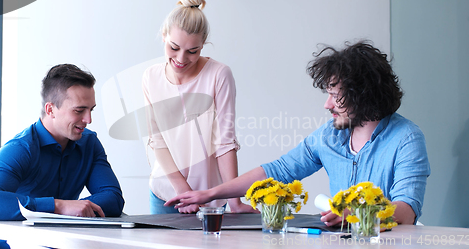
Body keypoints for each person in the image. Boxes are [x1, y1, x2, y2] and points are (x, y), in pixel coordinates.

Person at [165, 41, 431, 225]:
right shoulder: (330, 136)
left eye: (336, 97)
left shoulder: (406, 138)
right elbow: (278, 170)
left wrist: (358, 213)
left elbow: (406, 211)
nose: (327, 105)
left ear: (363, 96)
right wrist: (212, 193)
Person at [142, 0, 255, 214]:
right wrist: (184, 193)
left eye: (192, 51)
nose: (181, 59)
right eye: (173, 48)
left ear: (203, 44)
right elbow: (157, 142)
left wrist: (234, 202)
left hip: (209, 198)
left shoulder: (219, 75)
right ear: (164, 36)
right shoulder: (150, 77)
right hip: (165, 194)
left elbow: (224, 143)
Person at [0, 64, 125, 221]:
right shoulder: (20, 148)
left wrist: (76, 209)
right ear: (50, 110)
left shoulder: (89, 143)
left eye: (91, 110)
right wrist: (58, 206)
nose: (88, 120)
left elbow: (113, 198)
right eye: (79, 111)